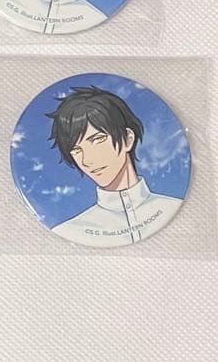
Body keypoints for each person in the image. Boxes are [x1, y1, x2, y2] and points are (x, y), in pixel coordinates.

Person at [47, 86, 182, 246]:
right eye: (76, 150)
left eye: (97, 140)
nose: (87, 160)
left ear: (127, 139)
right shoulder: (70, 231)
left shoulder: (175, 209)